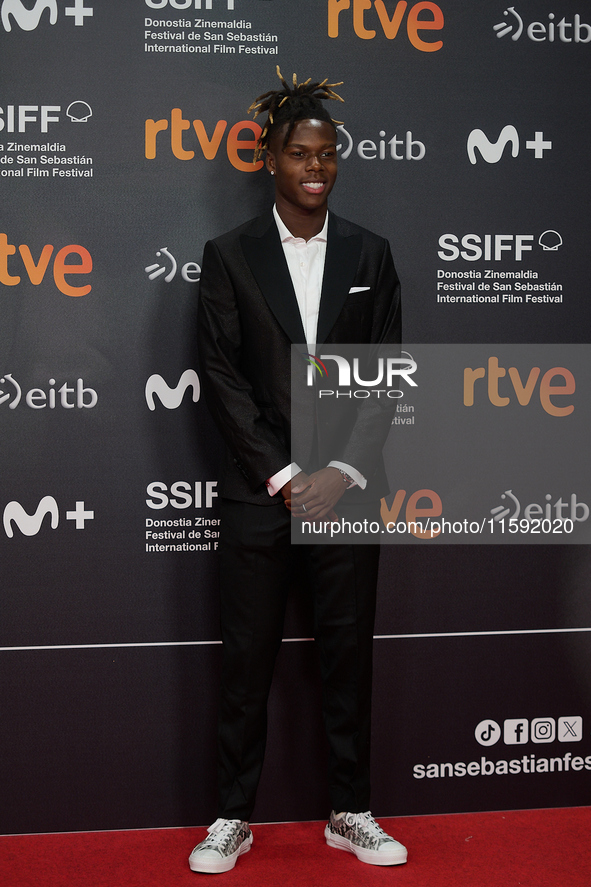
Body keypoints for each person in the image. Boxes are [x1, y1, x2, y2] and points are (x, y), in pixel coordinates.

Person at [190, 68, 405, 874]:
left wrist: (342, 471)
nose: (316, 167)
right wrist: (285, 475)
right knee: (247, 658)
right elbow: (222, 377)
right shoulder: (228, 256)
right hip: (261, 492)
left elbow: (385, 374)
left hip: (346, 489)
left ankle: (350, 810)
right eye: (299, 153)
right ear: (269, 159)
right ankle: (230, 817)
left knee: (348, 655)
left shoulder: (371, 255)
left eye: (327, 153)